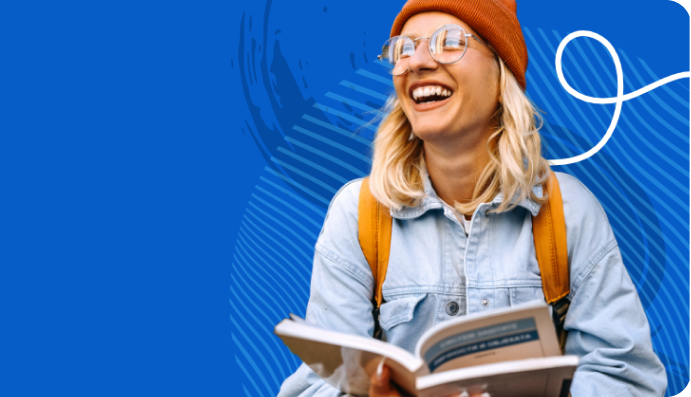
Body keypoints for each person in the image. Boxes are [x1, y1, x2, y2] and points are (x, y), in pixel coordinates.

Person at [278, 0, 667, 396]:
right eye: (404, 48)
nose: (417, 62)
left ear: (501, 75)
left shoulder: (569, 213)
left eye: (448, 43)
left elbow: (627, 378)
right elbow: (316, 387)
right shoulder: (358, 215)